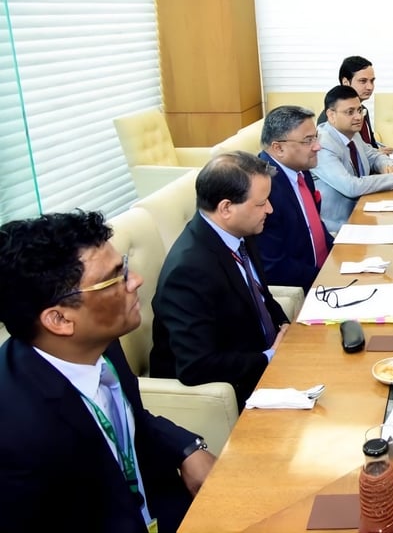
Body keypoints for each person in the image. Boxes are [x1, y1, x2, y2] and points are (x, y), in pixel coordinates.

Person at [0, 210, 215, 533]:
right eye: (116, 277)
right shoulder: (16, 433)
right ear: (59, 320)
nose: (137, 280)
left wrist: (185, 448)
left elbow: (130, 418)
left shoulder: (100, 343)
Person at [150, 152, 291, 410]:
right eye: (261, 204)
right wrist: (270, 356)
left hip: (268, 362)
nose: (269, 209)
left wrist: (284, 327)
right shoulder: (189, 270)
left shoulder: (239, 231)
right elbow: (196, 366)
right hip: (232, 389)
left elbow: (262, 296)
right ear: (226, 208)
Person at [313, 85, 393, 230]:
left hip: (365, 212)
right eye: (350, 112)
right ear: (331, 115)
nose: (358, 117)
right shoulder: (322, 145)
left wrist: (386, 166)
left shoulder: (353, 133)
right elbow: (350, 186)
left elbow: (373, 155)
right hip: (337, 228)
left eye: (360, 110)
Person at [257, 105, 333, 291]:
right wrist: (326, 279)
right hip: (304, 284)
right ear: (279, 148)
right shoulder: (262, 188)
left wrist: (342, 254)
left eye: (316, 137)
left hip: (325, 271)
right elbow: (273, 265)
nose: (317, 146)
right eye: (308, 141)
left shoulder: (300, 170)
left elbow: (315, 226)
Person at [316, 55, 393, 154]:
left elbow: (371, 145)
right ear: (346, 82)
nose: (370, 87)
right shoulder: (330, 119)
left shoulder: (364, 110)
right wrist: (375, 154)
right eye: (363, 81)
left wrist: (379, 153)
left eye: (372, 81)